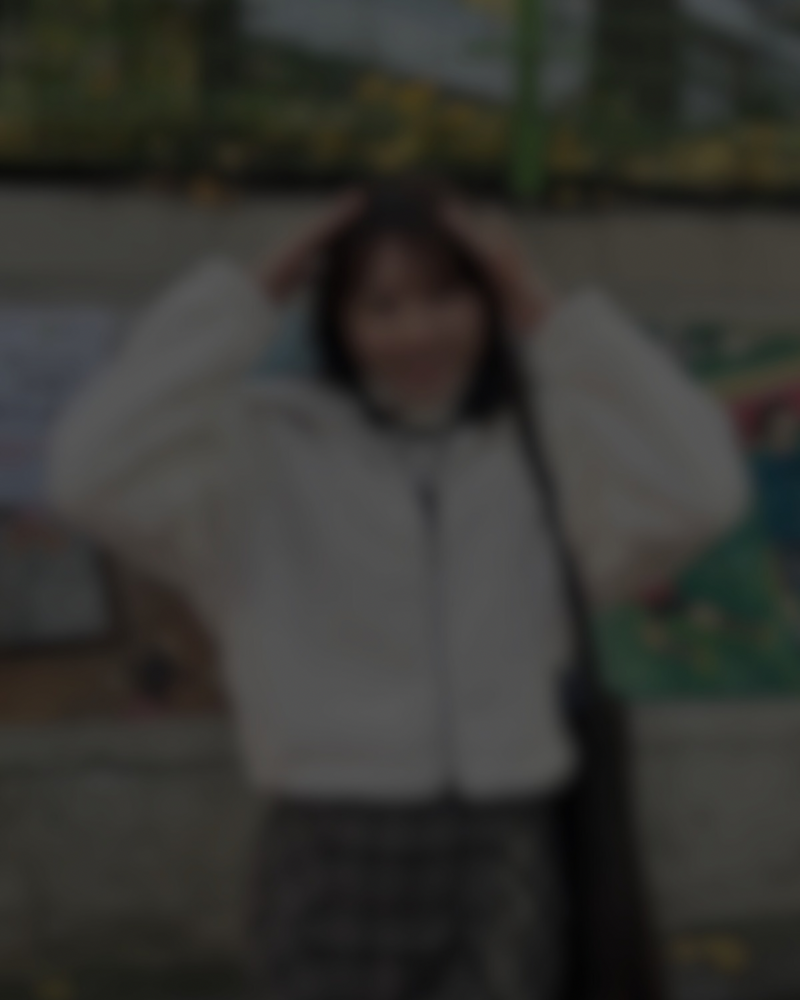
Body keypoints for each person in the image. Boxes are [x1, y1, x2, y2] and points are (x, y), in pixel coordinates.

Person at [48, 181, 749, 1000]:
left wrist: (548, 312)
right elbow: (86, 472)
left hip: (503, 842)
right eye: (380, 305)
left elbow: (705, 491)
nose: (416, 331)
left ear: (487, 300)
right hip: (332, 846)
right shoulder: (261, 451)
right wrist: (252, 292)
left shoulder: (544, 444)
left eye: (445, 296)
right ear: (337, 320)